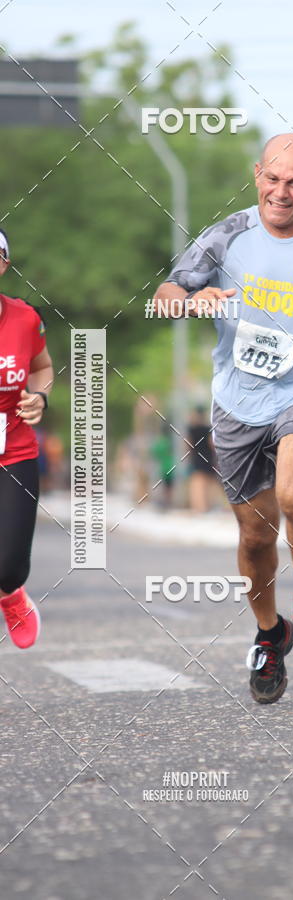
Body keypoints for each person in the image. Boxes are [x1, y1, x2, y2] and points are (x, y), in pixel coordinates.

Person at [153, 133, 293, 703]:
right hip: (237, 401)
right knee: (256, 535)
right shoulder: (225, 237)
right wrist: (191, 299)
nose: (282, 193)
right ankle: (269, 633)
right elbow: (165, 293)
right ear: (258, 174)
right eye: (273, 180)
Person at [0, 228, 54, 648]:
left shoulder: (24, 318)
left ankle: (12, 596)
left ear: (4, 264)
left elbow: (41, 367)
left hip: (13, 455)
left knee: (9, 566)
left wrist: (39, 396)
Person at [187, 406, 217, 512]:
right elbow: (212, 444)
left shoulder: (192, 428)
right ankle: (206, 506)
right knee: (207, 482)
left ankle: (199, 507)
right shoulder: (208, 428)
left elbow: (188, 444)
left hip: (196, 457)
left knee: (197, 482)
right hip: (207, 457)